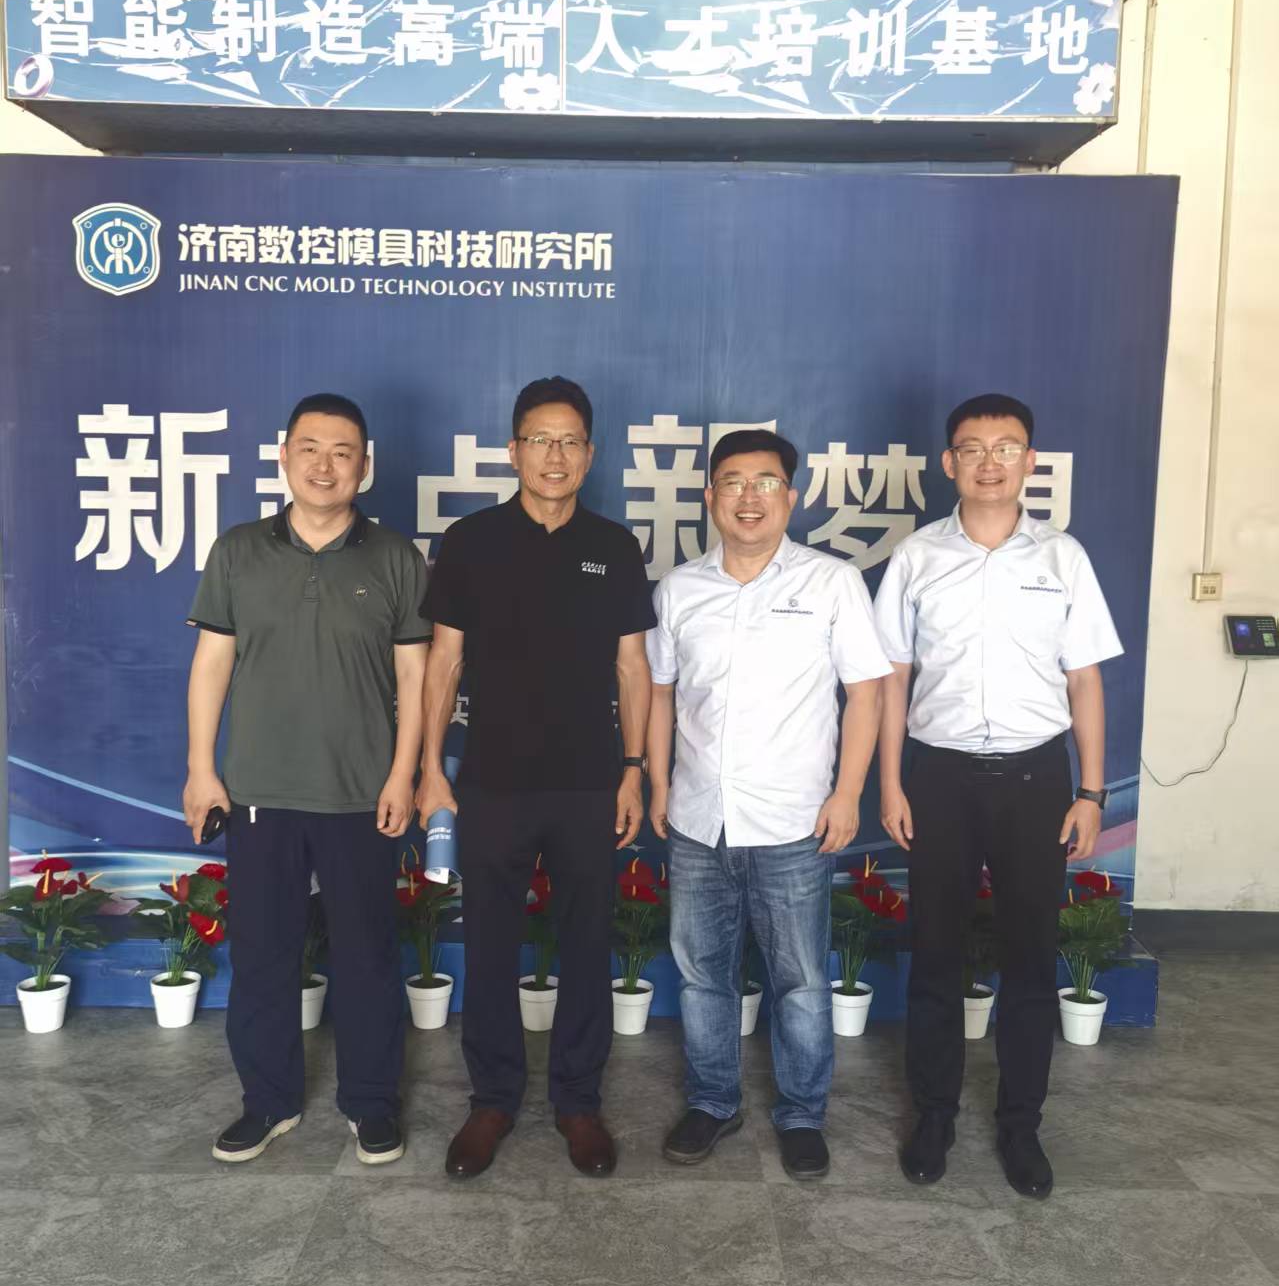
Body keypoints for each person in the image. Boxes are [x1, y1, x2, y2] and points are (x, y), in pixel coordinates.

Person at [874, 392, 1122, 1200]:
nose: (989, 462)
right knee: (935, 955)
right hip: (937, 778)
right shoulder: (916, 557)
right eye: (972, 448)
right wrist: (890, 782)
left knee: (1028, 958)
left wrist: (1090, 792)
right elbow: (891, 680)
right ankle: (933, 1117)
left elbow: (1083, 680)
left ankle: (1020, 1125)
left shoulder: (1062, 558)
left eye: (1005, 447)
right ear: (948, 462)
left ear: (1029, 461)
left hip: (1034, 780)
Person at [417, 376, 654, 1179]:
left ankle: (578, 1103)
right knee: (489, 944)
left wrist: (633, 770)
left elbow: (632, 668)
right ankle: (491, 1100)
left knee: (586, 944)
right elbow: (443, 662)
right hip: (492, 781)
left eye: (569, 441)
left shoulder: (613, 547)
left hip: (589, 782)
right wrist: (430, 770)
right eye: (539, 440)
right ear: (513, 451)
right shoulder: (471, 540)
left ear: (589, 454)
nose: (554, 455)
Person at [184, 393, 428, 1166]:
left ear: (366, 465)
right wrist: (201, 769)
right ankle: (268, 1102)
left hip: (362, 794)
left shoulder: (395, 557)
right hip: (258, 791)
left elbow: (415, 678)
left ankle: (371, 1103)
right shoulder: (238, 552)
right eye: (311, 449)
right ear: (284, 456)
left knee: (367, 956)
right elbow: (212, 663)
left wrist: (404, 775)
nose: (326, 466)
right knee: (262, 955)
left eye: (343, 452)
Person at [647, 431, 891, 1181]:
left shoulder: (831, 582)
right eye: (732, 482)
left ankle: (801, 1114)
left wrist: (847, 793)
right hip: (698, 819)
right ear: (709, 497)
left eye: (765, 482)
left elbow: (866, 694)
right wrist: (657, 785)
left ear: (791, 496)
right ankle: (712, 1101)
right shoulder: (679, 589)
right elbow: (660, 694)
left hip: (793, 821)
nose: (748, 498)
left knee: (800, 980)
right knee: (702, 975)